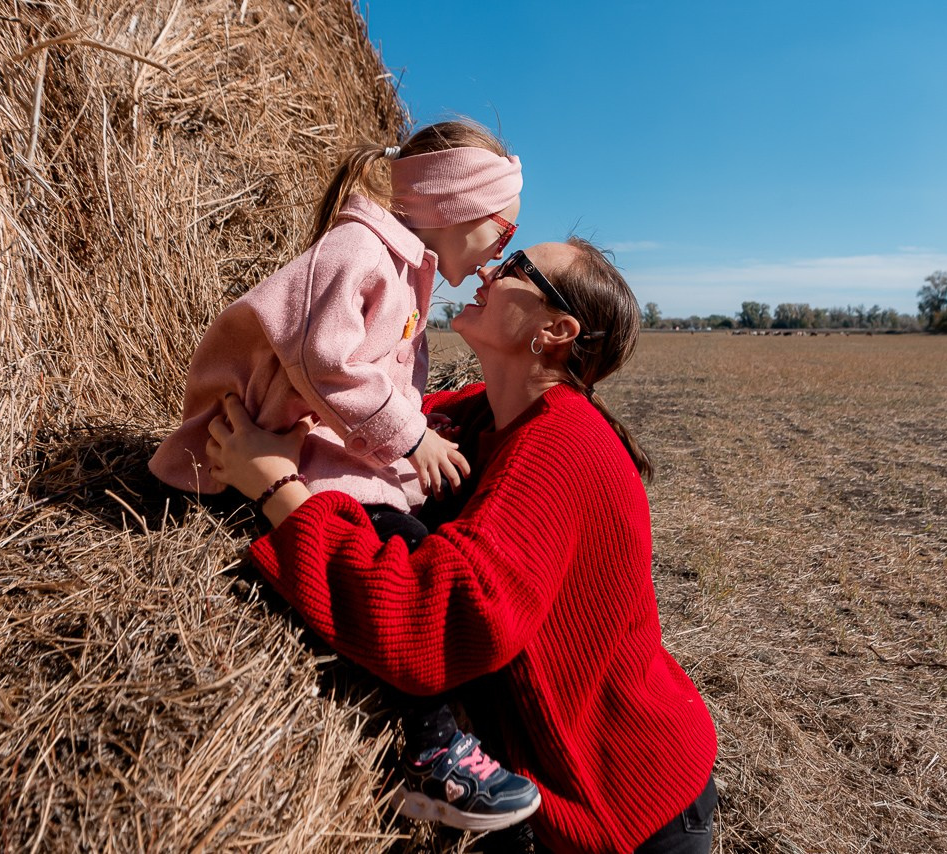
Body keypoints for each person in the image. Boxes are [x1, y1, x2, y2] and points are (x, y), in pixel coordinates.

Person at [204, 239, 720, 853]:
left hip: (630, 803)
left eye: (515, 268)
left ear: (555, 331)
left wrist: (277, 488)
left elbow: (430, 623)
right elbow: (366, 413)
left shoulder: (563, 445)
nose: (488, 271)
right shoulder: (485, 415)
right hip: (590, 788)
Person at [149, 119, 540, 830]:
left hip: (314, 440)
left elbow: (372, 374)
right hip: (270, 446)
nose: (502, 250)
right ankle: (429, 752)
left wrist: (423, 428)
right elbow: (324, 363)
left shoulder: (401, 265)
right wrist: (410, 436)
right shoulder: (359, 250)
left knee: (434, 528)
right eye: (503, 228)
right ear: (452, 205)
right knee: (401, 559)